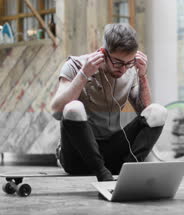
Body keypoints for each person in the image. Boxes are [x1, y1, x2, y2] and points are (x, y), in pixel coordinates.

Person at [50, 23, 167, 181]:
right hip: (77, 157)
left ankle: (130, 172)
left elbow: (145, 112)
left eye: (129, 63)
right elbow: (57, 111)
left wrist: (142, 75)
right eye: (118, 62)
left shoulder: (130, 71)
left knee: (158, 112)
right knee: (73, 108)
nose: (123, 69)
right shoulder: (75, 65)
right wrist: (84, 74)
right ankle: (102, 174)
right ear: (103, 53)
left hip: (112, 154)